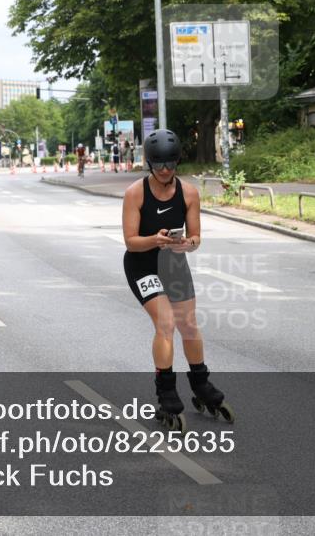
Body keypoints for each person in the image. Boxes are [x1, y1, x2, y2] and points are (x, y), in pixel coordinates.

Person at [121, 129, 233, 431]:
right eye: (159, 166)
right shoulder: (135, 193)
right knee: (166, 323)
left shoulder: (189, 193)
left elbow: (196, 238)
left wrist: (188, 244)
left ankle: (201, 384)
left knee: (189, 325)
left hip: (173, 262)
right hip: (142, 263)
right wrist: (154, 240)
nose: (166, 171)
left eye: (171, 164)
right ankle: (166, 392)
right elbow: (131, 241)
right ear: (149, 164)